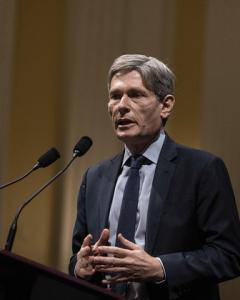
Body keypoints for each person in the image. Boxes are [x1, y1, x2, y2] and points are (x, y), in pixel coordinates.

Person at [69, 54, 240, 300]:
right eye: (115, 96)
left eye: (135, 94)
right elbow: (77, 255)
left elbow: (229, 255)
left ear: (166, 105)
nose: (121, 105)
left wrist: (160, 268)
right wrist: (80, 267)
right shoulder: (94, 177)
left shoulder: (202, 169)